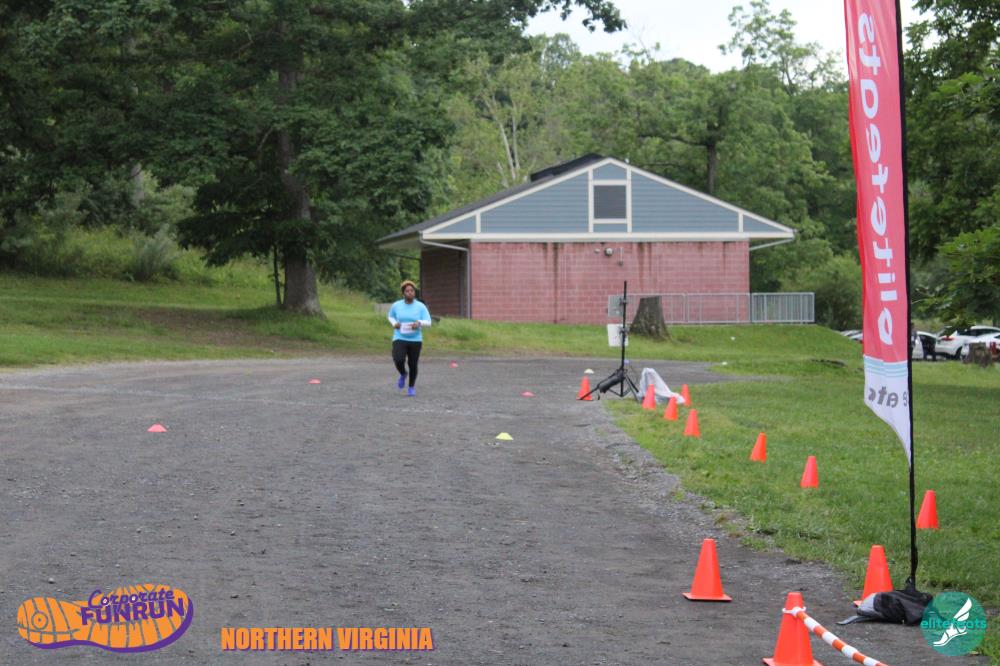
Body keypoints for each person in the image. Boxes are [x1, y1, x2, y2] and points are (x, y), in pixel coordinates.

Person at [387, 280, 431, 397]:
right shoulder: (396, 305)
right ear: (403, 293)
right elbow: (390, 316)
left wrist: (419, 322)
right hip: (399, 337)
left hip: (415, 339)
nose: (410, 293)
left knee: (413, 364)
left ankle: (411, 387)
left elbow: (429, 322)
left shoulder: (420, 306)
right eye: (407, 291)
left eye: (412, 291)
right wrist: (394, 323)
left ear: (414, 292)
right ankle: (403, 373)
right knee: (398, 359)